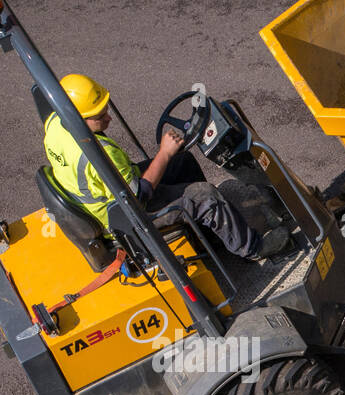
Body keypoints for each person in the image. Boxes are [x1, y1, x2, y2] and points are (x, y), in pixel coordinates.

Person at [43, 74, 287, 260]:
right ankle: (253, 249)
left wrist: (170, 156)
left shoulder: (55, 123)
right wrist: (164, 152)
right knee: (205, 195)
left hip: (108, 197)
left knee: (183, 162)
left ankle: (210, 237)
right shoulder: (98, 154)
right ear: (77, 116)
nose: (108, 118)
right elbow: (138, 197)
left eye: (105, 110)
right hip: (125, 218)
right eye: (99, 116)